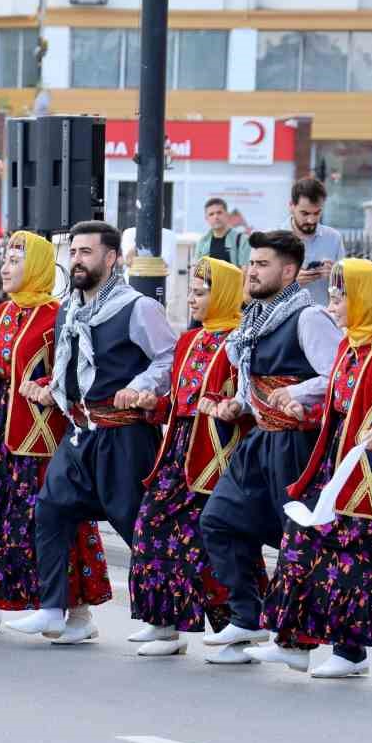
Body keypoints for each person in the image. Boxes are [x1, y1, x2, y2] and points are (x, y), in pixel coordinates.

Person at [251, 260, 372, 694]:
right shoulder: (348, 347)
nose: (334, 304)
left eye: (341, 296)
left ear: (365, 298)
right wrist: (308, 411)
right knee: (309, 550)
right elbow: (342, 408)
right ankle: (324, 647)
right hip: (338, 471)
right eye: (335, 295)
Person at [10, 221, 176, 640]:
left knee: (138, 526)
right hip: (80, 431)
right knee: (50, 509)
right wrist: (50, 388)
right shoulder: (69, 307)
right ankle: (53, 608)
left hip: (124, 437)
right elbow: (72, 365)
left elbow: (168, 360)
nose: (77, 260)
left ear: (111, 258)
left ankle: (165, 622)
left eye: (87, 252)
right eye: (74, 252)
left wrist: (139, 387)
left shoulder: (137, 308)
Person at [0, 232, 112, 636]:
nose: (5, 268)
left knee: (43, 517)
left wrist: (48, 389)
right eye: (4, 260)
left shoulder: (58, 316)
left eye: (16, 261)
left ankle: (77, 612)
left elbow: (72, 371)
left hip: (37, 433)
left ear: (37, 266)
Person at [196, 229, 350, 668]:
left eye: (262, 264)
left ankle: (338, 646)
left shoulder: (307, 317)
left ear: (289, 271)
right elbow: (251, 384)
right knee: (220, 520)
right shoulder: (254, 320)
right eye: (252, 262)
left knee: (304, 543)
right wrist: (236, 405)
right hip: (259, 439)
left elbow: (338, 376)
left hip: (296, 446)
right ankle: (249, 617)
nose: (252, 271)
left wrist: (298, 391)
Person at [126, 257, 254, 657]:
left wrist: (231, 408)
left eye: (201, 293)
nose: (192, 301)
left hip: (216, 453)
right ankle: (164, 622)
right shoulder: (190, 340)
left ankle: (236, 628)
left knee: (213, 541)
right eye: (192, 292)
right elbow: (178, 402)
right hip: (179, 449)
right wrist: (153, 403)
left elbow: (247, 400)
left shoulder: (240, 342)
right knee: (151, 525)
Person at [288, 176, 344, 305]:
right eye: (305, 213)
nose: (311, 220)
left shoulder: (334, 238)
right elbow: (260, 289)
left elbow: (344, 291)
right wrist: (291, 282)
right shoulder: (274, 237)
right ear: (291, 206)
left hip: (321, 318)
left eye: (317, 213)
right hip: (284, 321)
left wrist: (334, 278)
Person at [194, 197, 250, 267]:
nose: (216, 217)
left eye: (219, 212)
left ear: (227, 215)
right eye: (211, 214)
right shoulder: (202, 242)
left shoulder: (242, 239)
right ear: (206, 219)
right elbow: (197, 272)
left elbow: (245, 271)